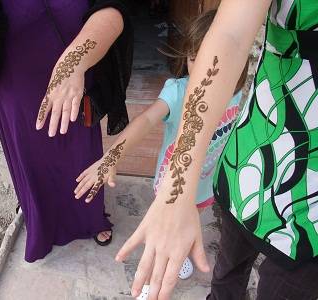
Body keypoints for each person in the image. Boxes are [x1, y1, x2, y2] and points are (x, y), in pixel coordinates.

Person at [111, 0, 318, 299]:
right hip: (255, 160)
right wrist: (175, 190)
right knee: (226, 272)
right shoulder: (178, 91)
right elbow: (230, 34)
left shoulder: (235, 100)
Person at [0, 0, 133, 263]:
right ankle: (40, 221)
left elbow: (112, 6)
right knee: (30, 153)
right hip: (16, 78)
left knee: (80, 150)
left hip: (76, 70)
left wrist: (73, 62)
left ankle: (90, 218)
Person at [75, 9, 248, 299]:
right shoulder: (178, 92)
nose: (205, 71)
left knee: (189, 225)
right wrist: (112, 156)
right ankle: (148, 284)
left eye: (215, 62)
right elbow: (145, 121)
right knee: (162, 233)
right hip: (170, 184)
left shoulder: (241, 96)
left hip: (207, 185)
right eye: (197, 58)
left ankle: (177, 257)